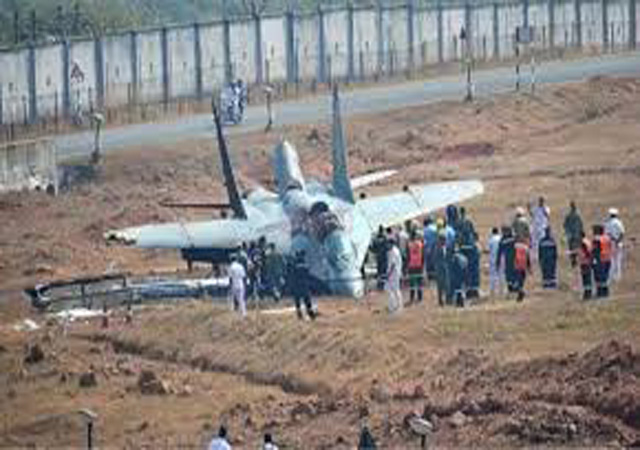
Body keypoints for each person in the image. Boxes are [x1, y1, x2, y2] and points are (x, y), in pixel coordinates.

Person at [457, 207, 480, 298]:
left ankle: (467, 290)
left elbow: (458, 234)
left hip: (462, 247)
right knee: (472, 269)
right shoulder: (469, 220)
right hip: (470, 246)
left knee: (464, 270)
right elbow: (473, 232)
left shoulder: (458, 222)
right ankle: (473, 290)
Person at [290, 251, 316, 320]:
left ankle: (300, 313)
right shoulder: (305, 266)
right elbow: (308, 275)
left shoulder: (294, 266)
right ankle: (310, 313)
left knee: (298, 299)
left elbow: (292, 276)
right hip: (304, 284)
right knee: (307, 299)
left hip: (298, 285)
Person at [605, 208, 625, 283]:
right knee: (618, 260)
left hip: (611, 243)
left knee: (612, 260)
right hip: (618, 243)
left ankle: (611, 276)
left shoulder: (608, 223)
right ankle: (618, 276)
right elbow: (622, 233)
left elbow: (607, 234)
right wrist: (618, 241)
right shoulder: (619, 222)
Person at [592, 224, 612, 298]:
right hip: (608, 259)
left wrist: (594, 260)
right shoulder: (607, 238)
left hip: (600, 259)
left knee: (599, 277)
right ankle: (605, 292)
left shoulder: (597, 239)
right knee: (605, 277)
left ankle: (600, 293)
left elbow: (595, 250)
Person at [563, 201, 584, 267]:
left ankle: (573, 261)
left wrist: (567, 232)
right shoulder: (577, 215)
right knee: (576, 248)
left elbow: (565, 225)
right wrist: (581, 231)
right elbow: (581, 224)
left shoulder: (568, 215)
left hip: (571, 235)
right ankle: (575, 261)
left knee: (571, 248)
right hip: (576, 234)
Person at [497, 226, 517, 295]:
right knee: (511, 274)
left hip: (510, 259)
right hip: (511, 259)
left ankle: (512, 287)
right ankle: (512, 287)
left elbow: (499, 252)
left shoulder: (503, 240)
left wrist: (498, 262)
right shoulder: (513, 238)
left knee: (510, 274)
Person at [386, 238, 404, 314]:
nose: (387, 245)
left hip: (394, 273)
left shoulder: (394, 251)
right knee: (391, 290)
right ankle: (393, 305)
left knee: (395, 289)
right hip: (393, 273)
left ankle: (397, 306)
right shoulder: (392, 251)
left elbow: (393, 264)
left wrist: (389, 274)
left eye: (388, 243)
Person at [530, 197, 550, 261]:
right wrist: (529, 208)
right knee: (534, 243)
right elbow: (532, 214)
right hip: (535, 227)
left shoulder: (546, 208)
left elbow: (547, 215)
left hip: (542, 228)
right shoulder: (536, 208)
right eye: (540, 201)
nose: (541, 202)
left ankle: (542, 255)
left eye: (542, 201)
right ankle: (535, 256)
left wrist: (543, 208)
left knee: (541, 242)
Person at [407, 231, 425, 304]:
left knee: (412, 283)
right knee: (419, 282)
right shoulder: (420, 244)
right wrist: (423, 264)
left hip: (411, 265)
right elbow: (423, 255)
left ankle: (412, 297)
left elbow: (408, 255)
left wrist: (407, 265)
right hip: (419, 265)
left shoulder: (409, 245)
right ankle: (420, 298)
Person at [434, 232, 450, 306]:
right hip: (441, 268)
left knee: (445, 285)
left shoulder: (444, 247)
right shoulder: (438, 248)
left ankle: (446, 299)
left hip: (443, 268)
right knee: (441, 285)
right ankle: (441, 300)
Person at [371, 226, 389, 291]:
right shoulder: (385, 238)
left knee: (379, 271)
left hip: (379, 257)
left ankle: (379, 284)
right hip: (384, 257)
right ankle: (383, 285)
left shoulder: (376, 239)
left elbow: (373, 248)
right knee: (383, 271)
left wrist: (376, 252)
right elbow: (387, 247)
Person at [577, 231, 593, 300]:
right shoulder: (587, 241)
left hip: (585, 263)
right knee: (587, 278)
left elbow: (587, 252)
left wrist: (586, 258)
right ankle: (588, 293)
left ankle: (587, 294)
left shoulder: (583, 242)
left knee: (586, 279)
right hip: (587, 262)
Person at [487, 227, 503, 297]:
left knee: (493, 275)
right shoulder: (501, 238)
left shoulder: (491, 239)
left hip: (493, 258)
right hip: (501, 258)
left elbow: (488, 249)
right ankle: (501, 290)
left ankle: (492, 290)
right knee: (501, 274)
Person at [423, 216, 438, 281]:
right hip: (434, 247)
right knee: (434, 262)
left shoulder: (424, 229)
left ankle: (430, 277)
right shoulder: (434, 228)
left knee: (428, 264)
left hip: (427, 248)